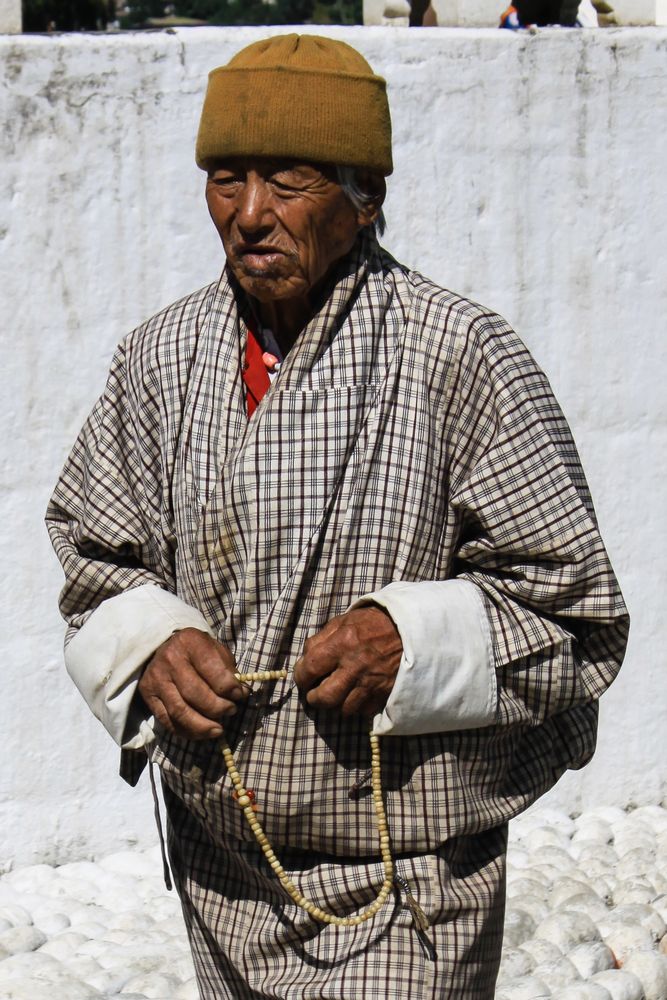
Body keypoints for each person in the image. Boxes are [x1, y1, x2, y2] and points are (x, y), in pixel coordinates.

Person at [46, 34, 629, 999]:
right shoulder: (156, 361)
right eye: (225, 180)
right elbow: (94, 557)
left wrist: (415, 639)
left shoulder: (460, 355)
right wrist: (148, 642)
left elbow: (575, 617)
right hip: (224, 864)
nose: (250, 216)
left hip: (408, 882)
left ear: (366, 199)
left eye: (290, 180)